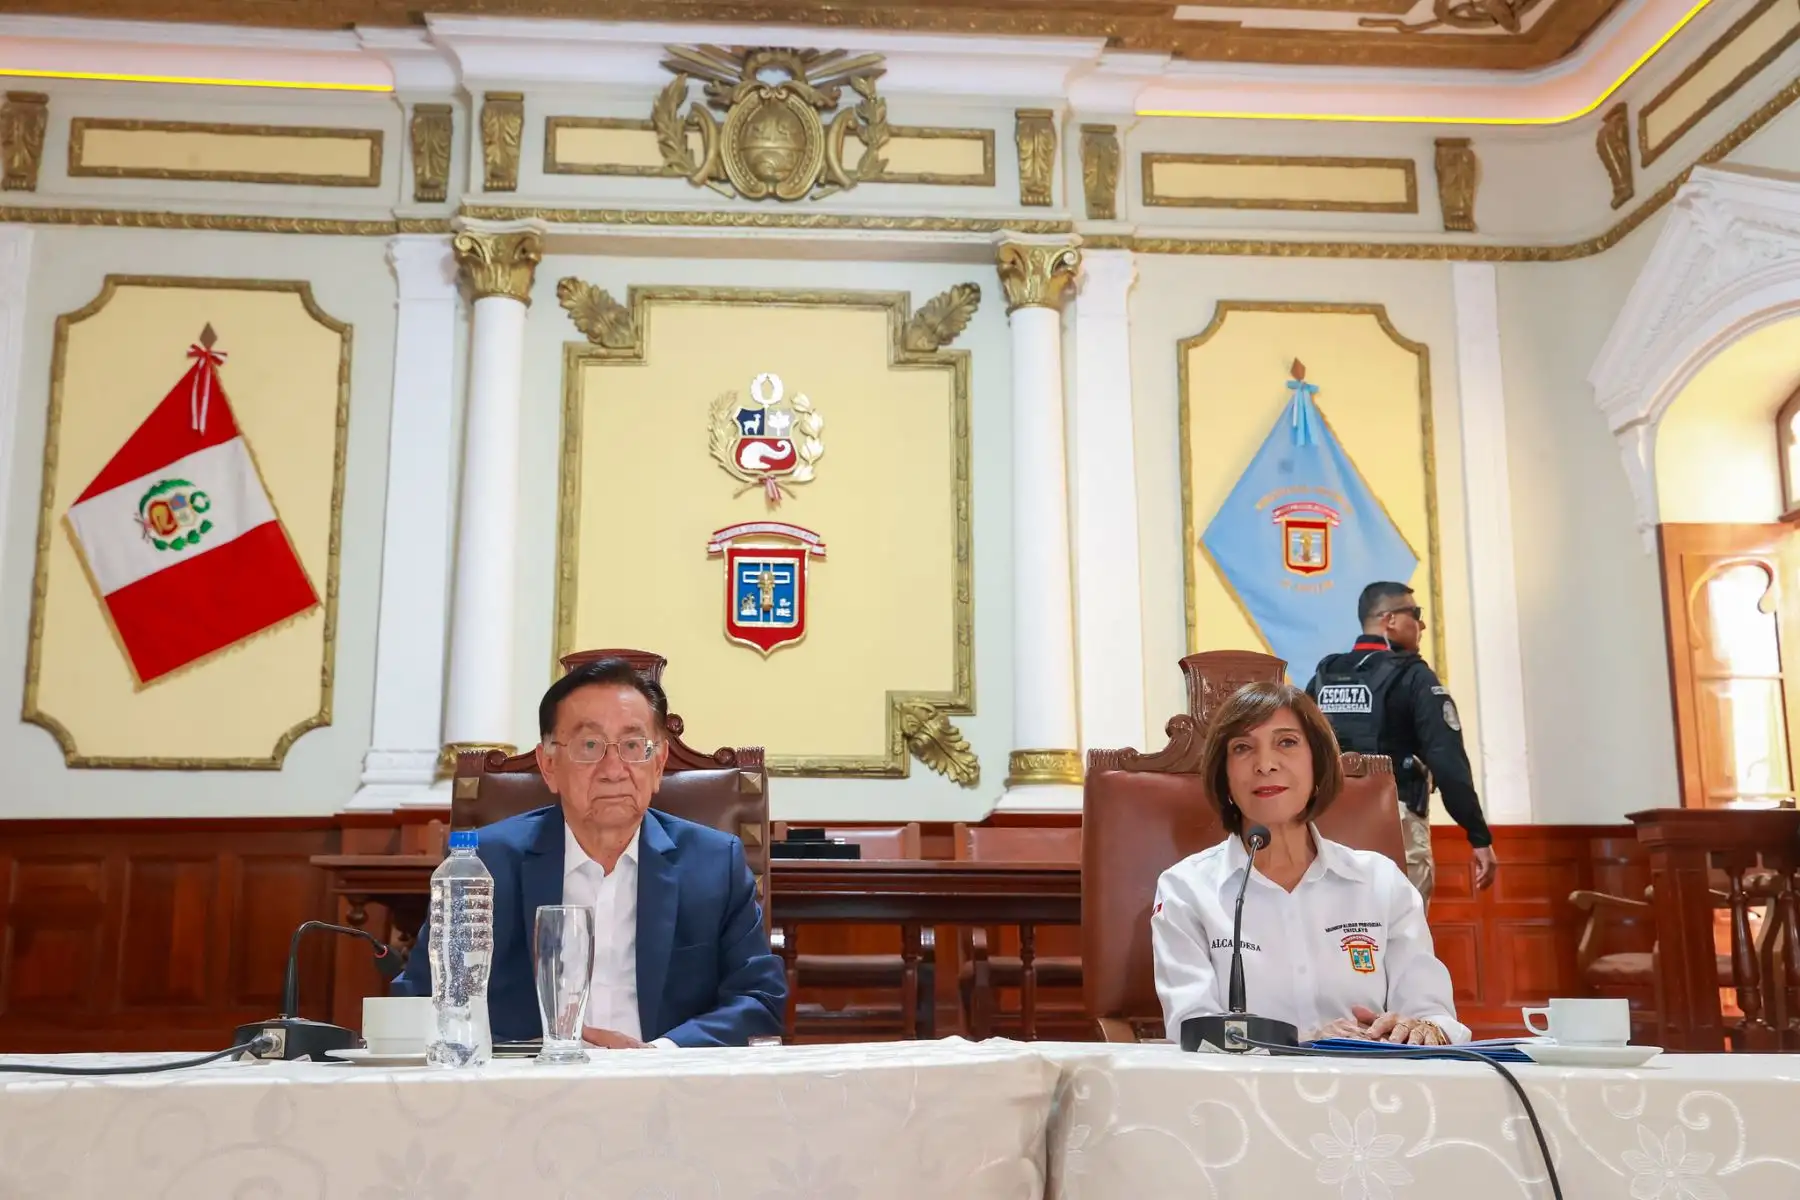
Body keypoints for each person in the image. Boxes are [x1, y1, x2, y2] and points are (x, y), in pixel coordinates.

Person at [393, 658, 785, 1048]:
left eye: (633, 746)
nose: (613, 769)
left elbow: (758, 1000)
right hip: (525, 1092)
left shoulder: (714, 864)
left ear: (659, 763)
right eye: (589, 746)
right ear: (549, 765)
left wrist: (658, 1055)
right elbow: (425, 998)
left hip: (666, 1088)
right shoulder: (487, 864)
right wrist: (533, 1051)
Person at [1152, 681, 1469, 1045]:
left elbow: (1433, 1014)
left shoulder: (1380, 882)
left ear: (1318, 766)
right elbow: (1193, 1030)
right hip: (1244, 1094)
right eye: (1242, 748)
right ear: (1224, 777)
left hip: (1376, 1090)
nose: (1266, 764)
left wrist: (1423, 1028)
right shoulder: (1186, 889)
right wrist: (1305, 1043)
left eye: (1286, 742)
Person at [1304, 581, 1496, 904]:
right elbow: (1446, 759)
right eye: (1415, 614)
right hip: (1395, 821)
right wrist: (1479, 837)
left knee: (1335, 932)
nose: (1420, 624)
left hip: (1327, 825)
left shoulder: (1325, 675)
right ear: (1389, 619)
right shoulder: (1415, 677)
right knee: (1402, 938)